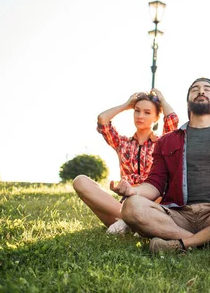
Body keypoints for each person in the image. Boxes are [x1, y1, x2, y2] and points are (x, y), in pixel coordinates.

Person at [110, 78, 210, 254]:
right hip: (179, 214)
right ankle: (201, 241)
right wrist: (133, 191)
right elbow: (155, 184)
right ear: (188, 102)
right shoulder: (168, 140)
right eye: (195, 89)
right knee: (131, 206)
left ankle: (181, 243)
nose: (201, 91)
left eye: (207, 89)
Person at [73, 89, 178, 234]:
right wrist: (126, 105)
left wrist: (162, 100)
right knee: (80, 181)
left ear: (156, 118)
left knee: (159, 196)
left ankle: (128, 222)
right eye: (137, 111)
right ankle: (128, 221)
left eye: (147, 112)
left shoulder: (162, 142)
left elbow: (172, 122)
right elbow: (103, 120)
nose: (140, 116)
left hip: (153, 203)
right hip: (124, 204)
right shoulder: (122, 143)